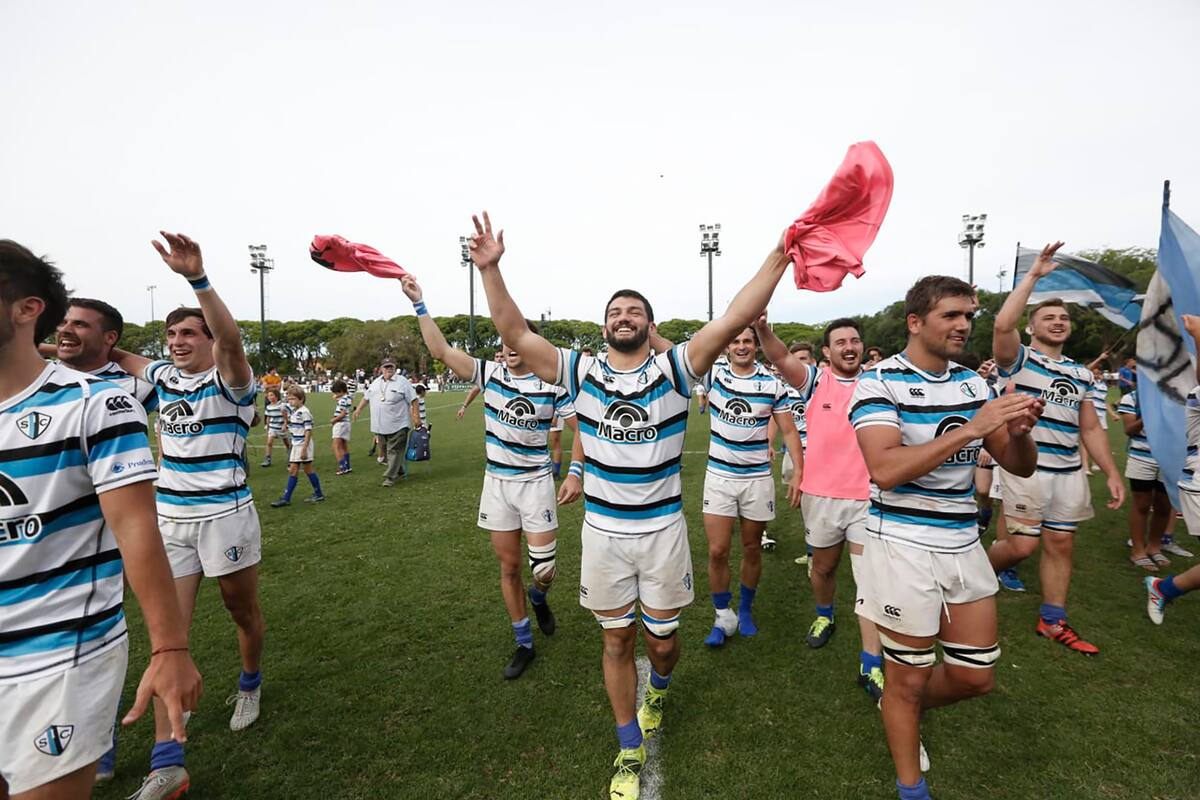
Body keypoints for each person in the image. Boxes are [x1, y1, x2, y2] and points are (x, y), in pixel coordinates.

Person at [470, 210, 795, 800]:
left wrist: (780, 253)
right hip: (603, 535)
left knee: (663, 645)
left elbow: (737, 315)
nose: (625, 318)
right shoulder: (580, 371)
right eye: (615, 312)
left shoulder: (676, 369)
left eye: (635, 312)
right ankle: (627, 746)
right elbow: (515, 333)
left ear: (650, 325)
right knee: (616, 640)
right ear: (604, 327)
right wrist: (491, 269)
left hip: (663, 534)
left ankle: (660, 691)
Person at [0, 240, 202, 800]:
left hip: (56, 654)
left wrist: (168, 647)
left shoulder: (99, 403)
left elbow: (137, 528)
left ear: (25, 308)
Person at [851, 274, 1042, 800]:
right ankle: (911, 785)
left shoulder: (973, 384)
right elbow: (885, 469)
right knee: (910, 677)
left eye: (969, 316)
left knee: (975, 677)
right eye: (952, 315)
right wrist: (974, 429)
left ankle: (900, 708)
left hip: (962, 543)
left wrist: (1020, 435)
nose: (964, 325)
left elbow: (1019, 467)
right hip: (902, 545)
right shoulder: (879, 382)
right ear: (916, 322)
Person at [110, 233, 266, 799]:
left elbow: (231, 340)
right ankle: (167, 761)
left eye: (187, 333)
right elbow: (104, 353)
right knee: (167, 633)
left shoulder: (231, 381)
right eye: (171, 334)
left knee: (240, 609)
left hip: (226, 515)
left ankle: (250, 681)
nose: (177, 341)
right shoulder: (161, 380)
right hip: (170, 520)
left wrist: (198, 281)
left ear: (206, 339)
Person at [403, 275, 584, 678]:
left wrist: (573, 472)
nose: (510, 347)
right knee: (508, 568)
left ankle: (539, 599)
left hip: (537, 483)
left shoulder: (553, 386)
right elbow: (440, 349)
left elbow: (582, 432)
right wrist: (420, 304)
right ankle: (523, 642)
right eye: (504, 342)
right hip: (497, 485)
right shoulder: (489, 374)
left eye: (516, 341)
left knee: (544, 572)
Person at [986, 242, 1125, 656]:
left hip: (1067, 471)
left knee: (1061, 544)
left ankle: (1052, 620)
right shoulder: (1020, 360)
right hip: (1026, 467)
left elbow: (1092, 427)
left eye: (1063, 318)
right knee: (1023, 545)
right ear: (1032, 327)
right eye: (1048, 317)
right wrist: (1032, 277)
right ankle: (971, 570)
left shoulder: (1081, 373)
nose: (1058, 322)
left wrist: (1111, 471)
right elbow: (1000, 326)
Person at [757, 316, 886, 703]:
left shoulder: (879, 383)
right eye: (840, 342)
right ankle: (825, 613)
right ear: (827, 352)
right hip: (822, 498)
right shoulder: (815, 381)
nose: (850, 346)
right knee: (824, 568)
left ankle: (871, 661)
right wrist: (763, 329)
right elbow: (780, 356)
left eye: (855, 340)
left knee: (868, 581)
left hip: (868, 499)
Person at [698, 327, 803, 648]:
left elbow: (789, 430)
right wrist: (651, 332)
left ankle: (744, 610)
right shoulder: (713, 376)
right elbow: (675, 355)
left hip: (756, 479)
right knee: (717, 550)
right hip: (719, 477)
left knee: (751, 547)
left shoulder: (773, 384)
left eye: (747, 341)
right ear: (727, 346)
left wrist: (799, 471)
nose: (742, 346)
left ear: (756, 345)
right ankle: (721, 614)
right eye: (736, 341)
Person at [50, 298, 160, 416]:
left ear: (110, 337)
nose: (65, 330)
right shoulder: (35, 375)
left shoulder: (137, 386)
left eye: (80, 324)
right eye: (62, 323)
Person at [1118, 387, 1171, 570]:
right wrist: (1149, 414)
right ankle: (1138, 551)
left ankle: (1154, 547)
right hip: (1142, 458)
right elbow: (1129, 430)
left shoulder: (1179, 396)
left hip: (1170, 458)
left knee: (1164, 506)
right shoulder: (1133, 397)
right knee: (1141, 505)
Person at [353, 358, 420, 487]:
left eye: (391, 367)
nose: (389, 369)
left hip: (398, 424)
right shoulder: (376, 383)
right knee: (384, 449)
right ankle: (398, 468)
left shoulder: (403, 382)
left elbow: (414, 399)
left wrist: (416, 416)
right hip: (379, 426)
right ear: (381, 369)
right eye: (386, 367)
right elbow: (366, 397)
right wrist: (358, 409)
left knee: (393, 450)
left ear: (395, 368)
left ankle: (389, 477)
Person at [270, 386, 325, 507]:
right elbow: (293, 424)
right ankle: (318, 493)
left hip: (302, 445)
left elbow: (308, 431)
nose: (290, 401)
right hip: (296, 444)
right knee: (305, 470)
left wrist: (304, 449)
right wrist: (286, 421)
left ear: (301, 399)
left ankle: (287, 497)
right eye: (289, 399)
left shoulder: (304, 412)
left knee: (295, 470)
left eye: (293, 399)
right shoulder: (295, 411)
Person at [331, 379, 353, 475]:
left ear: (340, 391)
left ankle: (342, 467)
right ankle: (347, 466)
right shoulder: (347, 398)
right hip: (347, 424)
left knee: (336, 446)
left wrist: (334, 420)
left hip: (340, 423)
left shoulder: (342, 401)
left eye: (336, 392)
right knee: (344, 445)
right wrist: (337, 397)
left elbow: (343, 413)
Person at [261, 387, 286, 467]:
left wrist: (285, 424)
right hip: (273, 427)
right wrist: (267, 426)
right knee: (269, 442)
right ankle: (267, 459)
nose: (270, 397)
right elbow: (268, 417)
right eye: (268, 396)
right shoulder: (268, 407)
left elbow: (286, 416)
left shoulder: (282, 406)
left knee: (287, 444)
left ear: (277, 396)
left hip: (281, 427)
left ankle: (291, 457)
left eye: (272, 395)